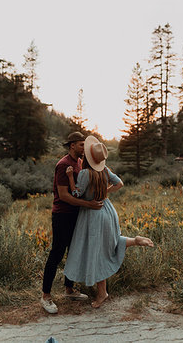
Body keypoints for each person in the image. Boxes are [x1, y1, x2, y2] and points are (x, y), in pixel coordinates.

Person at [64, 135, 154, 308]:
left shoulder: (84, 173)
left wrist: (69, 177)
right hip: (108, 210)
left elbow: (76, 194)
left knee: (96, 251)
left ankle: (102, 293)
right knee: (107, 245)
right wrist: (105, 192)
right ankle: (134, 240)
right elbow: (119, 183)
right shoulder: (105, 171)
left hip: (92, 214)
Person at [41, 132, 104, 314]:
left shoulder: (78, 163)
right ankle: (45, 296)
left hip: (76, 214)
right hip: (62, 215)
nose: (84, 148)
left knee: (73, 251)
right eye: (81, 144)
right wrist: (89, 205)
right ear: (72, 146)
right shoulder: (63, 165)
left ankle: (69, 289)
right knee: (56, 253)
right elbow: (64, 195)